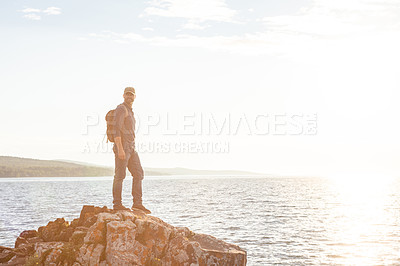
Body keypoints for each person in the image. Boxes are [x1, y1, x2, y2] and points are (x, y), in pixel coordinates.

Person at [112, 86, 150, 213]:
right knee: (120, 176)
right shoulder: (121, 109)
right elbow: (116, 129)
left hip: (132, 147)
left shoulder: (130, 110)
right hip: (122, 147)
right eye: (127, 94)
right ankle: (117, 204)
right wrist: (120, 148)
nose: (129, 96)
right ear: (123, 95)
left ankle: (137, 204)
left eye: (131, 95)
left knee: (139, 173)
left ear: (134, 97)